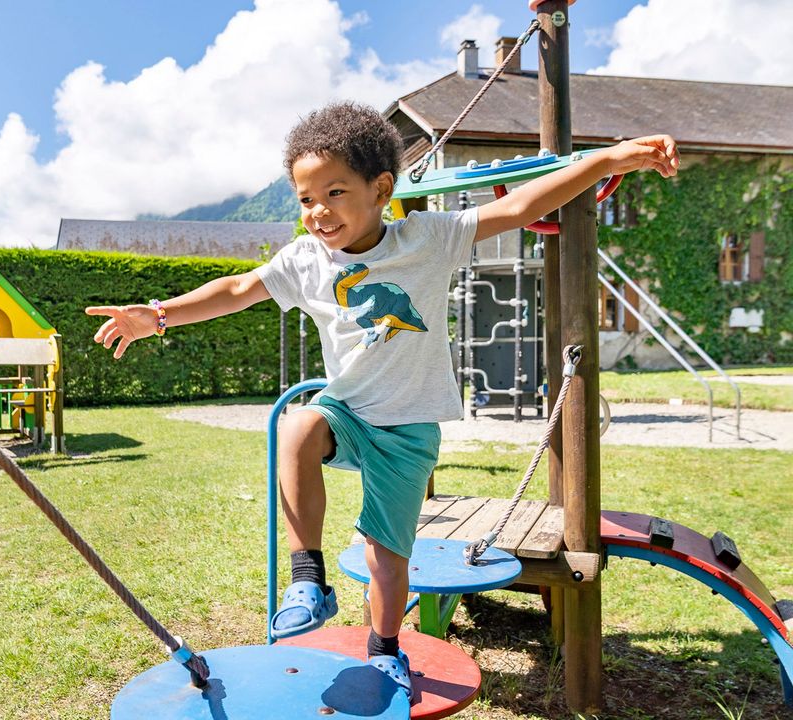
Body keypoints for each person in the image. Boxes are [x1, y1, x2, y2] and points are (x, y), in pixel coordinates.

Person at [86, 101, 679, 700]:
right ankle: (308, 580)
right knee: (296, 424)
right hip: (346, 415)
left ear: (381, 188)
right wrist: (158, 315)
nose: (318, 212)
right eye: (305, 198)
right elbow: (238, 289)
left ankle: (385, 650)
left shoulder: (428, 238)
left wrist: (608, 157)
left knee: (386, 559)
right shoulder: (306, 261)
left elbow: (519, 206)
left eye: (335, 193)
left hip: (408, 431)